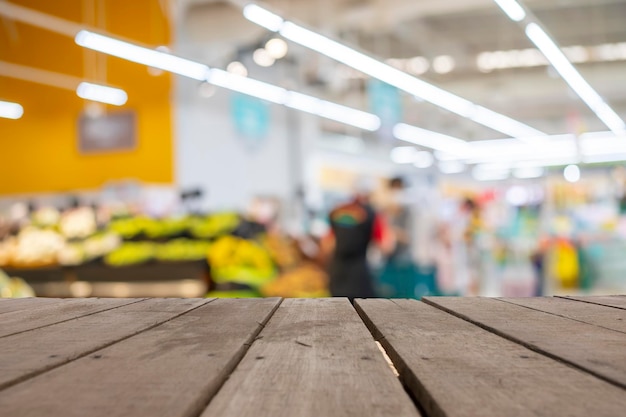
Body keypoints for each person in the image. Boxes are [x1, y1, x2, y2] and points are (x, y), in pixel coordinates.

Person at [321, 179, 392, 301]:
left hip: (337, 272)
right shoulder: (373, 214)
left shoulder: (338, 211)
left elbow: (327, 245)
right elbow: (386, 247)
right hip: (360, 274)